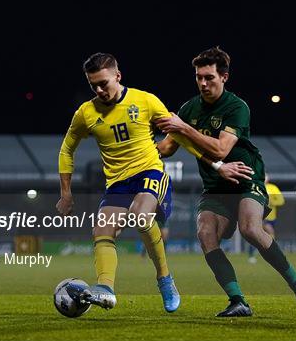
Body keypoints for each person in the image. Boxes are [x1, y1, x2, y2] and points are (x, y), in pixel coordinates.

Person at [57, 52, 251, 313]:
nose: (100, 90)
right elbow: (67, 149)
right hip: (117, 183)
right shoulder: (86, 113)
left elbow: (180, 136)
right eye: (94, 85)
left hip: (150, 174)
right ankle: (105, 289)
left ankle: (164, 278)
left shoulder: (145, 101)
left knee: (140, 216)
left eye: (104, 82)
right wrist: (66, 193)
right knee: (101, 232)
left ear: (118, 75)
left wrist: (217, 165)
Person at [155, 46, 296, 317]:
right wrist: (139, 147)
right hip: (215, 185)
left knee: (250, 229)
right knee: (205, 234)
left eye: (209, 77)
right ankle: (238, 301)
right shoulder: (189, 108)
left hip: (246, 178)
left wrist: (183, 127)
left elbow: (221, 149)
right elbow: (168, 147)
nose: (203, 83)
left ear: (224, 77)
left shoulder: (236, 107)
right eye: (199, 77)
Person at [248, 174, 284, 263]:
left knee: (264, 235)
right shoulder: (255, 187)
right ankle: (256, 254)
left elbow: (281, 201)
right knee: (264, 232)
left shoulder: (273, 188)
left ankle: (269, 253)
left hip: (271, 216)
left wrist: (271, 201)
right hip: (258, 215)